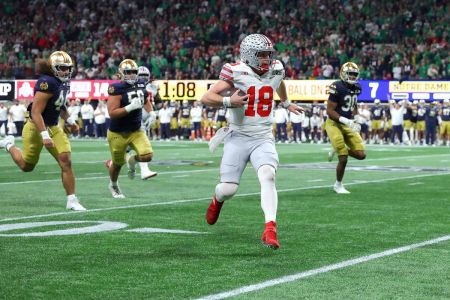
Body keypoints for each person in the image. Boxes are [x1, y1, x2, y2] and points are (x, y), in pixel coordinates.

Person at [201, 34, 303, 250]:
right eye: (262, 55)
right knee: (228, 190)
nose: (267, 58)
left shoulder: (276, 68)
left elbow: (279, 82)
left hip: (263, 136)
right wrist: (229, 100)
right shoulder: (235, 70)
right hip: (238, 136)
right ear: (249, 55)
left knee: (268, 175)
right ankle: (217, 200)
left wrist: (286, 103)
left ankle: (270, 228)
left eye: (268, 54)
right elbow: (206, 97)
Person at [0, 51, 86, 211]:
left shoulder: (63, 83)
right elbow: (36, 112)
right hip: (35, 126)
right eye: (62, 68)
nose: (66, 72)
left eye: (68, 68)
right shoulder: (46, 82)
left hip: (53, 126)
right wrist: (44, 135)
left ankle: (72, 200)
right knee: (27, 166)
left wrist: (71, 120)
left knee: (66, 160)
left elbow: (59, 105)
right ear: (53, 68)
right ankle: (9, 145)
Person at [105, 59, 156, 198]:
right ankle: (113, 185)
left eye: (134, 72)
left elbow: (145, 100)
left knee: (147, 156)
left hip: (136, 129)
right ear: (121, 73)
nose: (132, 75)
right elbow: (112, 113)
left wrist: (151, 112)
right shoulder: (116, 88)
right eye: (128, 72)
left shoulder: (140, 84)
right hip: (117, 132)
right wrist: (129, 107)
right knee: (117, 164)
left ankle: (131, 160)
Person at [326, 62, 366, 194]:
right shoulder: (336, 86)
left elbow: (353, 104)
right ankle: (338, 185)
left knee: (361, 155)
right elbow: (330, 111)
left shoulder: (357, 88)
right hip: (334, 123)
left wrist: (356, 117)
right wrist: (346, 121)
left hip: (347, 122)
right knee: (343, 157)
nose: (353, 77)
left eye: (355, 74)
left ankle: (338, 147)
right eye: (350, 74)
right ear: (343, 73)